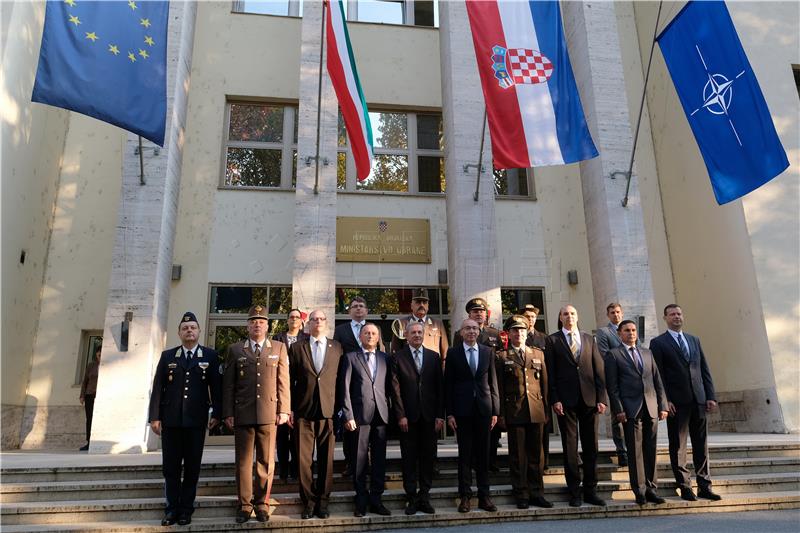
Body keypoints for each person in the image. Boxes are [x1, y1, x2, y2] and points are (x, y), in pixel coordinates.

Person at [148, 312, 222, 526]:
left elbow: (216, 388)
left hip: (196, 422)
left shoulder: (210, 356)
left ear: (199, 332)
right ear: (179, 333)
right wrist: (155, 417)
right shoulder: (168, 356)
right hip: (171, 422)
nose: (189, 330)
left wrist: (216, 413)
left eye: (193, 327)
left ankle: (186, 510)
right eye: (185, 328)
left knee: (192, 468)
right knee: (170, 468)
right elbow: (158, 389)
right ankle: (171, 509)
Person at [223, 305, 290, 524]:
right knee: (243, 462)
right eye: (253, 321)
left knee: (266, 461)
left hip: (269, 413)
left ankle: (262, 503)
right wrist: (228, 413)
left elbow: (283, 382)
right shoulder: (235, 349)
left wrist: (284, 410)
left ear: (268, 325)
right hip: (242, 413)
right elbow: (228, 385)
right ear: (247, 326)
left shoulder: (278, 348)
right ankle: (244, 504)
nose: (257, 325)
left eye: (261, 321)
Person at [650, 304, 721, 501]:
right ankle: (685, 486)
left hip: (699, 400)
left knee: (701, 445)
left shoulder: (693, 340)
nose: (677, 317)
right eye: (672, 314)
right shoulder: (658, 343)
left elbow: (703, 369)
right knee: (679, 446)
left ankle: (704, 486)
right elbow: (659, 376)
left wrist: (710, 395)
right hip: (677, 403)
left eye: (679, 313)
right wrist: (665, 401)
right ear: (665, 318)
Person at [545, 304, 608, 507]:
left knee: (591, 447)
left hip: (590, 400)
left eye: (572, 313)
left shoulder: (589, 339)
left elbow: (599, 370)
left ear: (577, 316)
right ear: (560, 317)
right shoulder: (552, 340)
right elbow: (551, 374)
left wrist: (602, 398)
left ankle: (591, 489)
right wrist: (555, 399)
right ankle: (574, 492)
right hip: (566, 402)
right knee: (570, 448)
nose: (569, 316)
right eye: (565, 313)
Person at [605, 320, 669, 505]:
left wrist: (662, 405)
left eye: (633, 330)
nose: (631, 333)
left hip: (651, 409)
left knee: (651, 450)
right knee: (635, 453)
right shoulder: (613, 355)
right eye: (627, 330)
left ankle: (651, 489)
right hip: (630, 410)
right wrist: (619, 410)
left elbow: (657, 381)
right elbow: (612, 386)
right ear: (619, 333)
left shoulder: (647, 353)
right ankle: (639, 490)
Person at [288, 309, 342, 520]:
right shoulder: (296, 348)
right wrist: (290, 408)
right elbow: (289, 381)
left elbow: (341, 380)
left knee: (327, 460)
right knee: (303, 462)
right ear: (307, 324)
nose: (318, 322)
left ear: (326, 323)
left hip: (328, 412)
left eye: (321, 319)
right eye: (314, 319)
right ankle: (308, 502)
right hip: (303, 412)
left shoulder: (337, 347)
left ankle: (323, 502)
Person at [496, 315, 553, 510]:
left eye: (521, 330)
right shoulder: (502, 357)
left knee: (537, 454)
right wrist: (501, 414)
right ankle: (521, 493)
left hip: (536, 410)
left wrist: (546, 409)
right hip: (515, 411)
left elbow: (544, 385)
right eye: (514, 330)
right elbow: (500, 389)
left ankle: (537, 492)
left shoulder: (538, 354)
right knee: (518, 456)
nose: (518, 333)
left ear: (525, 333)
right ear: (509, 334)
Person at [337, 323, 392, 517]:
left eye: (373, 333)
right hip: (359, 418)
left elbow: (389, 387)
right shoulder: (350, 358)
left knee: (379, 460)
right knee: (359, 461)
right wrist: (348, 415)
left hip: (381, 416)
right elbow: (344, 389)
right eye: (366, 333)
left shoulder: (386, 358)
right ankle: (360, 499)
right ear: (360, 337)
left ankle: (376, 499)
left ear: (378, 338)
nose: (370, 335)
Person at [445, 318, 499, 513]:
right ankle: (465, 496)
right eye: (467, 328)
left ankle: (485, 496)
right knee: (465, 455)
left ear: (479, 331)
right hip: (462, 411)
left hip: (484, 409)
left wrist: (495, 411)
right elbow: (448, 385)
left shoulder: (487, 352)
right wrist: (449, 413)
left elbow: (493, 382)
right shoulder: (453, 353)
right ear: (461, 332)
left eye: (475, 328)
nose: (472, 331)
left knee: (483, 455)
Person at [390, 321, 444, 515]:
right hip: (408, 418)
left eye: (420, 332)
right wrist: (401, 415)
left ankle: (424, 497)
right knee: (409, 458)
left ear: (424, 334)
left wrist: (440, 415)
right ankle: (411, 497)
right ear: (406, 334)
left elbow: (440, 389)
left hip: (430, 417)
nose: (417, 335)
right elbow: (395, 390)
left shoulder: (434, 357)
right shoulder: (398, 357)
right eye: (413, 332)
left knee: (428, 458)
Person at [272, 308, 308, 481]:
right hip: (280, 391)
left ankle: (295, 469)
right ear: (287, 320)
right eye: (291, 317)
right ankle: (283, 469)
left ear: (302, 321)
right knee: (281, 434)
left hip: (300, 392)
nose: (294, 319)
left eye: (297, 317)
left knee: (296, 434)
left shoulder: (307, 339)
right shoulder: (277, 339)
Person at [594, 302, 631, 467]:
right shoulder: (604, 332)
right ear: (608, 315)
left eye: (618, 312)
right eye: (612, 312)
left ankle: (633, 450)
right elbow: (604, 354)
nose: (615, 315)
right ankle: (621, 451)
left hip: (632, 380)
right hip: (614, 378)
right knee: (618, 416)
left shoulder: (629, 328)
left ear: (622, 313)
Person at [521, 304, 551, 468]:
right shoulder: (517, 336)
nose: (530, 319)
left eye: (532, 317)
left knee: (543, 428)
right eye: (527, 316)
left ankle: (543, 461)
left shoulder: (544, 338)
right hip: (524, 387)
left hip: (540, 387)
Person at [389, 288, 449, 363]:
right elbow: (395, 353)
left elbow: (445, 353)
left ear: (428, 306)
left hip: (432, 368)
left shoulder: (437, 323)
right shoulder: (402, 324)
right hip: (409, 369)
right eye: (418, 302)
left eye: (424, 302)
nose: (421, 305)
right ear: (411, 305)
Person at [79, 346, 101, 451]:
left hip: (101, 396)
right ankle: (89, 442)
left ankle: (99, 441)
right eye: (98, 352)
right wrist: (82, 395)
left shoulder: (107, 365)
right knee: (89, 419)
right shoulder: (91, 365)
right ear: (96, 354)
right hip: (89, 395)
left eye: (101, 352)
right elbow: (85, 381)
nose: (100, 354)